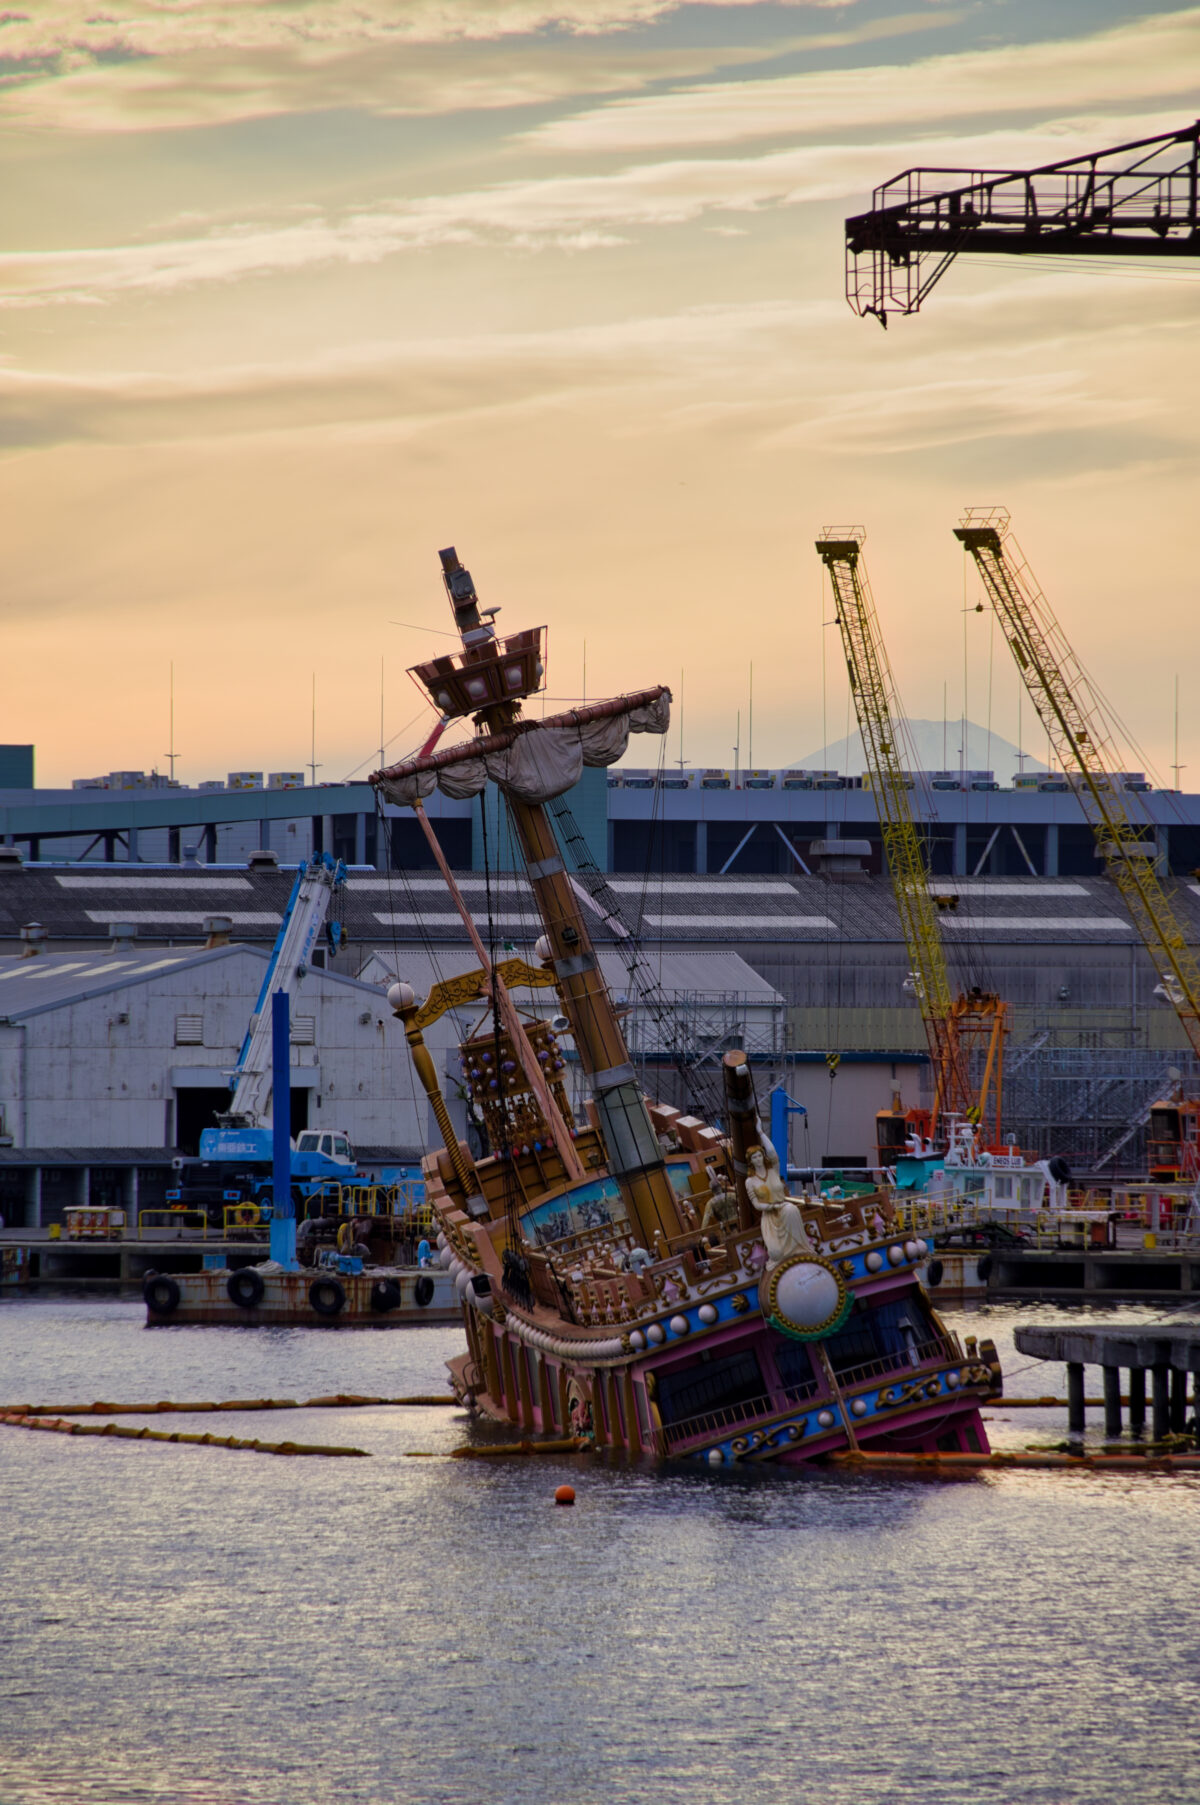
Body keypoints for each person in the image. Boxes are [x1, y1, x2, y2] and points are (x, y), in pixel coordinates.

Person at [746, 1133, 813, 1271]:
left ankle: (800, 1251)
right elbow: (756, 1204)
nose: (758, 1159)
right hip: (770, 1217)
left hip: (784, 1209)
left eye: (759, 1156)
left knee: (791, 1209)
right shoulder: (750, 1181)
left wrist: (760, 1132)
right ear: (750, 1161)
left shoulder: (773, 1171)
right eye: (754, 1157)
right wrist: (772, 1206)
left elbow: (772, 1153)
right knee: (776, 1254)